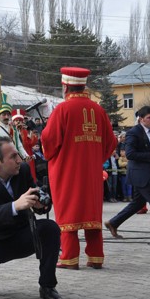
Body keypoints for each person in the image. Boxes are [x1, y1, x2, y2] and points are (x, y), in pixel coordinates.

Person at [0, 137, 63, 299]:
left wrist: (41, 205)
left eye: (18, 155)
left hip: (23, 234)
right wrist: (14, 206)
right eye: (13, 157)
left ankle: (47, 286)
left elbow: (35, 198)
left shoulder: (23, 171)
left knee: (50, 228)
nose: (20, 160)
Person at [42, 67, 117, 269]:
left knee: (69, 212)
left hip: (67, 172)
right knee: (91, 214)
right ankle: (95, 257)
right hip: (92, 173)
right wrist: (94, 158)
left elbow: (49, 141)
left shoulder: (62, 110)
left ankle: (69, 258)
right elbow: (111, 143)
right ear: (84, 85)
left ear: (65, 86)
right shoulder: (99, 110)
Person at [105, 106, 150, 243]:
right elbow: (130, 154)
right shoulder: (133, 132)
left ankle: (113, 222)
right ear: (141, 119)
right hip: (140, 174)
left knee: (137, 203)